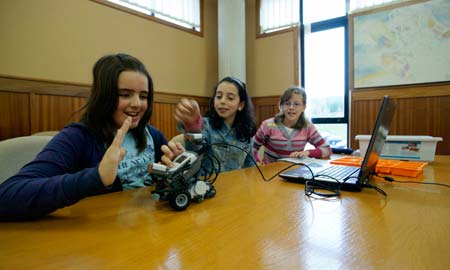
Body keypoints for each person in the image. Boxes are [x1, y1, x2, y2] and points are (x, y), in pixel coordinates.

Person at [0, 53, 171, 221]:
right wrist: (96, 177)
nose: (137, 104)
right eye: (125, 94)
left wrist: (175, 170)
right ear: (103, 96)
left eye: (143, 96)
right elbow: (7, 196)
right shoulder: (77, 137)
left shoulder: (152, 135)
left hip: (149, 231)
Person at [167, 76, 257, 173]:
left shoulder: (246, 131)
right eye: (218, 96)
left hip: (234, 184)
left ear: (241, 105)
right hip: (205, 185)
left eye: (230, 98)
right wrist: (193, 128)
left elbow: (250, 166)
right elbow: (194, 151)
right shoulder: (205, 125)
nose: (222, 101)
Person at [253, 86, 331, 164]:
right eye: (287, 103)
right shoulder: (268, 125)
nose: (291, 107)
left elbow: (327, 150)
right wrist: (257, 162)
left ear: (304, 107)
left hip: (295, 172)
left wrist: (308, 153)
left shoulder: (308, 127)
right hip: (269, 173)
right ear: (282, 106)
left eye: (296, 104)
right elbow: (252, 148)